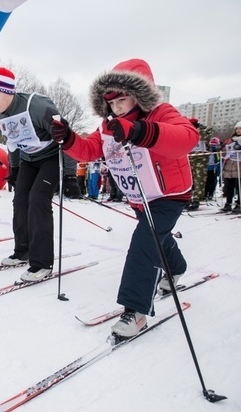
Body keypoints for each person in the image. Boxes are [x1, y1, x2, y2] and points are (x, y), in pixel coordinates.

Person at [51, 58, 198, 338]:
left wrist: (142, 131)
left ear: (140, 95)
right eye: (112, 104)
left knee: (144, 243)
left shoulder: (161, 113)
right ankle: (176, 268)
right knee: (156, 238)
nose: (116, 108)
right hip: (140, 195)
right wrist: (68, 138)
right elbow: (90, 150)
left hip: (169, 194)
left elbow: (186, 138)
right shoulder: (109, 125)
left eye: (122, 101)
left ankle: (135, 311)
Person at [0, 66, 62, 282]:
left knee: (38, 200)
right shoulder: (2, 115)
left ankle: (42, 263)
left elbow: (66, 135)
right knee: (20, 200)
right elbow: (13, 142)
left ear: (8, 91)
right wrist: (15, 168)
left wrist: (72, 174)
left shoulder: (35, 105)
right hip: (28, 159)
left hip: (52, 156)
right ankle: (23, 251)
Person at [185, 119, 212, 211]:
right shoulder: (187, 130)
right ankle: (188, 199)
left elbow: (206, 138)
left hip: (201, 159)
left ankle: (196, 200)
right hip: (190, 158)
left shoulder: (206, 130)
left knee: (199, 180)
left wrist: (198, 130)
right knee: (189, 180)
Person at [220, 121, 241, 213]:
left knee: (239, 186)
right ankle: (228, 203)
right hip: (230, 166)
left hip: (239, 165)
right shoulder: (230, 140)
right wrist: (222, 149)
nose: (238, 130)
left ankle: (239, 204)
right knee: (229, 186)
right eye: (236, 129)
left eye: (240, 128)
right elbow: (225, 151)